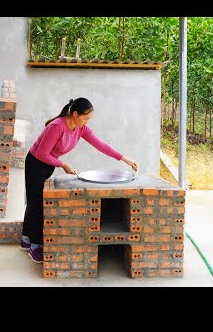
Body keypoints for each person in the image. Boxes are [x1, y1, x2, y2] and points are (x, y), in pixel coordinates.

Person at [21, 97, 138, 264]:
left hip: (48, 164)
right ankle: (35, 246)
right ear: (75, 114)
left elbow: (101, 145)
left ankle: (25, 240)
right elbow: (41, 153)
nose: (87, 122)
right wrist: (63, 164)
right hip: (35, 164)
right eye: (86, 118)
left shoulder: (80, 128)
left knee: (37, 201)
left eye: (89, 119)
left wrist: (126, 159)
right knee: (37, 203)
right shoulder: (57, 126)